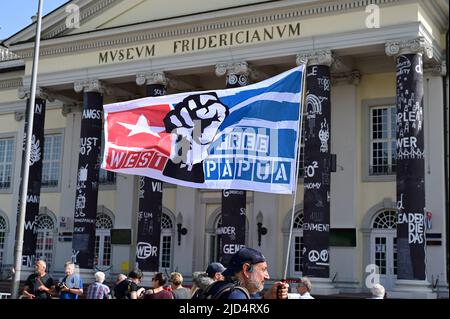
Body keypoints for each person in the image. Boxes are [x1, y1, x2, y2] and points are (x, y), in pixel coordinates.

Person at [204, 247, 289, 299]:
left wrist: (267, 296)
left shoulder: (217, 287)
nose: (267, 276)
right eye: (263, 270)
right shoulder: (236, 295)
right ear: (246, 269)